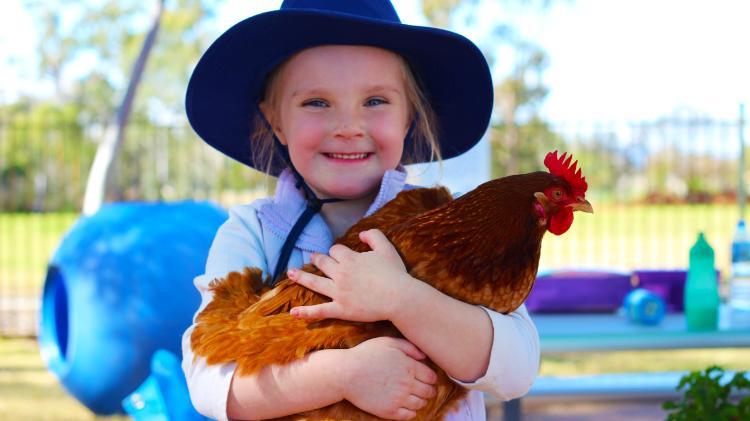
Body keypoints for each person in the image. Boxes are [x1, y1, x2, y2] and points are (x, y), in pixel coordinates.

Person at [182, 1, 539, 420]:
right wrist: (341, 375)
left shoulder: (452, 226)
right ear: (276, 120)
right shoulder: (254, 232)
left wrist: (403, 300)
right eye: (317, 102)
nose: (348, 126)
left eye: (374, 101)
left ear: (409, 117)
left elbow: (516, 370)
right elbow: (209, 380)